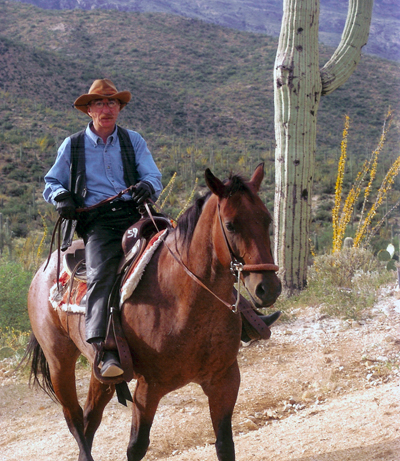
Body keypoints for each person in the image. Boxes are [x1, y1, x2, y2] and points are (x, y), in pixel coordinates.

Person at [44, 79, 163, 378]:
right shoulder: (72, 145)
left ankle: (239, 317)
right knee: (101, 273)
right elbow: (52, 181)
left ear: (119, 108)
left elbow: (152, 175)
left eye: (112, 103)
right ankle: (104, 346)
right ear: (89, 110)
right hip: (99, 222)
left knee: (185, 248)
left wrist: (147, 185)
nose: (106, 108)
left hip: (137, 213)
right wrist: (61, 197)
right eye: (99, 103)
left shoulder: (133, 140)